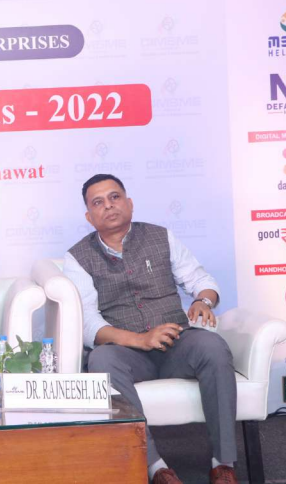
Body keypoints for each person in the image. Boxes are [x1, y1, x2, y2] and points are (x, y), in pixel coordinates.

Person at [64, 174, 238, 484]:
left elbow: (202, 280)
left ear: (129, 203)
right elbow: (88, 322)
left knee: (212, 346)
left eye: (115, 197)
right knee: (100, 359)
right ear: (89, 217)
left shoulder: (161, 237)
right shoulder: (77, 258)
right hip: (128, 353)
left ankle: (222, 463)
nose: (109, 206)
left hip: (177, 343)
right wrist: (141, 340)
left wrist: (203, 301)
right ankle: (155, 467)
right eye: (98, 202)